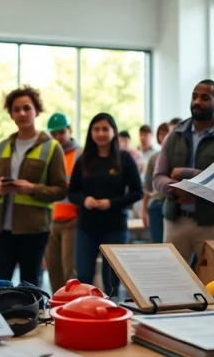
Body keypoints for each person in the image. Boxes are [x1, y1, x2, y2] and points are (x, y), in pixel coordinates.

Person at [153, 80, 214, 264]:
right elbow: (158, 178)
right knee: (172, 280)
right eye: (194, 96)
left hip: (213, 223)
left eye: (205, 98)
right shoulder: (174, 136)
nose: (197, 102)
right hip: (175, 221)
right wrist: (177, 188)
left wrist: (188, 175)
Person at [0, 86, 67, 286]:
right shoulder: (0, 147)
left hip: (34, 230)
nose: (22, 113)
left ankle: (31, 319)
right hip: (3, 228)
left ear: (36, 111)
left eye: (27, 108)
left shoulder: (52, 147)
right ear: (11, 114)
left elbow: (61, 189)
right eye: (16, 109)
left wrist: (31, 188)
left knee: (30, 287)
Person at [68, 113, 143, 298]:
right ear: (91, 133)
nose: (100, 133)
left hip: (115, 226)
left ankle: (111, 316)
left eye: (105, 129)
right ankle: (85, 315)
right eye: (96, 129)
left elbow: (137, 192)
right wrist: (84, 200)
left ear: (114, 132)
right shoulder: (84, 159)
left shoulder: (125, 159)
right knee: (84, 277)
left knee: (111, 281)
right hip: (86, 227)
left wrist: (111, 203)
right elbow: (72, 192)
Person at [45, 112, 83, 292]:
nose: (58, 137)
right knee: (53, 270)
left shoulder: (81, 154)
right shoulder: (50, 155)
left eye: (61, 132)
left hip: (72, 222)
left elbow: (87, 188)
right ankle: (57, 312)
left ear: (69, 130)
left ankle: (73, 311)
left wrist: (80, 216)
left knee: (70, 272)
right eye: (54, 134)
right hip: (52, 222)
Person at [142, 122, 171, 243]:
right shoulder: (153, 158)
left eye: (167, 134)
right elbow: (148, 188)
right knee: (157, 242)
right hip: (157, 204)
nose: (163, 137)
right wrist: (144, 210)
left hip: (173, 203)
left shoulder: (179, 156)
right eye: (161, 134)